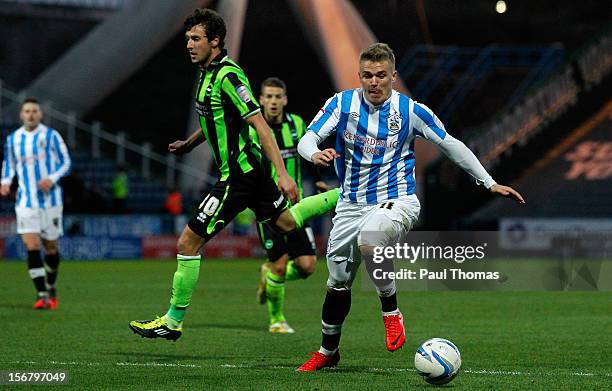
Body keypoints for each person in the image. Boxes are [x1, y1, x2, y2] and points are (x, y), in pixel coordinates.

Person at [295, 43, 525, 371]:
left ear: (393, 75)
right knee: (337, 283)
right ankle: (328, 351)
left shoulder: (411, 111)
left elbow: (450, 144)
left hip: (397, 199)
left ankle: (391, 313)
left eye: (381, 76)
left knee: (371, 240)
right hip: (350, 205)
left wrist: (488, 182)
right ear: (359, 76)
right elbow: (307, 138)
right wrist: (313, 153)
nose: (374, 82)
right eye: (367, 76)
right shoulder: (341, 104)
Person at [129, 8, 339, 341]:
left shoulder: (228, 76)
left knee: (187, 242)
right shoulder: (206, 73)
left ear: (215, 41)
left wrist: (283, 175)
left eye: (195, 38)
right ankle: (345, 195)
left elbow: (259, 126)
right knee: (286, 223)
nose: (189, 44)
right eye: (187, 38)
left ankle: (172, 321)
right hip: (249, 174)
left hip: (238, 177)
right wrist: (190, 143)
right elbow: (215, 119)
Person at [253, 77, 331, 334]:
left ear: (284, 100)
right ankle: (276, 320)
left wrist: (318, 181)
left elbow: (307, 153)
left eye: (278, 97)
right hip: (268, 209)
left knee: (307, 267)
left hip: (296, 207)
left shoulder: (297, 124)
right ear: (261, 99)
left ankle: (270, 275)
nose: (273, 102)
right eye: (269, 97)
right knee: (280, 262)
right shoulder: (254, 129)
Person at [1, 98, 72, 310]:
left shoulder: (51, 136)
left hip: (51, 201)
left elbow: (66, 162)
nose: (30, 114)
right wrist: (4, 182)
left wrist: (51, 178)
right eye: (27, 111)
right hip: (25, 201)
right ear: (21, 115)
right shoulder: (14, 139)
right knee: (31, 245)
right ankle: (41, 295)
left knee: (50, 247)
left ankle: (51, 286)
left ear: (40, 115)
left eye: (34, 111)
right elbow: (8, 164)